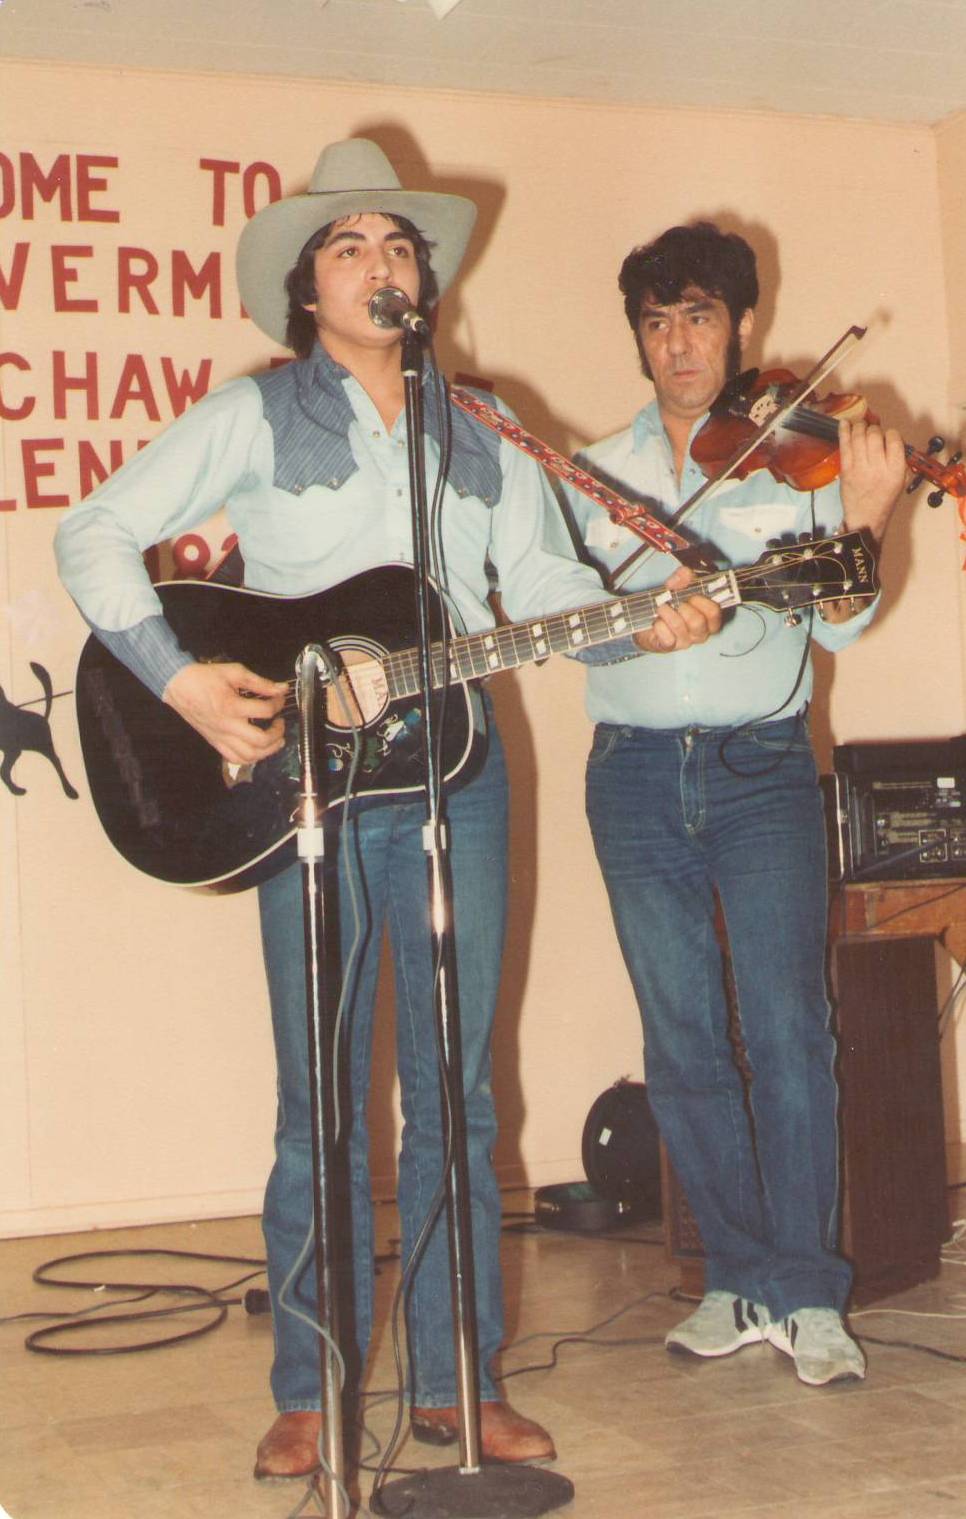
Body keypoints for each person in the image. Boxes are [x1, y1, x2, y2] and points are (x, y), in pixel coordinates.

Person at [54, 141, 720, 1479]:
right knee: (320, 1104)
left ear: (423, 280)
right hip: (305, 793)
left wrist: (648, 625)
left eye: (398, 245)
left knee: (456, 1097)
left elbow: (541, 591)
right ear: (308, 287)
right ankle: (309, 1382)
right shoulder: (254, 415)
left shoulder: (484, 427)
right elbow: (93, 534)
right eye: (349, 244)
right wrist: (184, 684)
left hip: (458, 784)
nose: (380, 263)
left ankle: (452, 1380)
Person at [560, 222, 906, 1388]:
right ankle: (735, 1276)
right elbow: (574, 636)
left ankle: (809, 1289)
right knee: (683, 1037)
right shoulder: (591, 471)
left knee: (790, 1028)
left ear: (742, 326)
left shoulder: (788, 451)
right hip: (636, 775)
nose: (678, 345)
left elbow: (843, 620)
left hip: (761, 769)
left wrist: (867, 518)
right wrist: (631, 615)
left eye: (698, 317)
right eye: (656, 324)